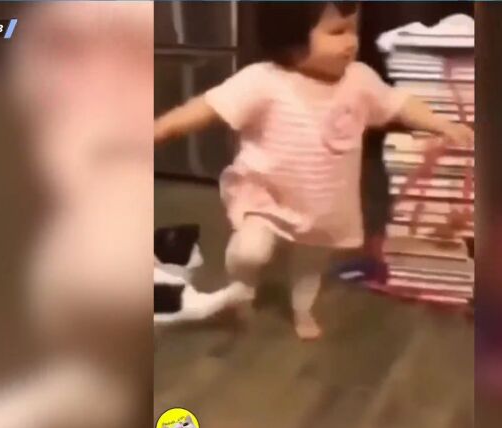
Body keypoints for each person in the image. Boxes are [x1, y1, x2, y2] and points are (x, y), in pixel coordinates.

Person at [154, 1, 473, 340]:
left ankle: (302, 309)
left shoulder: (359, 79)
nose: (351, 41)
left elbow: (399, 103)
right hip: (267, 196)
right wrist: (161, 128)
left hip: (324, 204)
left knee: (309, 266)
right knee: (249, 252)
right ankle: (243, 286)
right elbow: (208, 107)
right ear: (289, 40)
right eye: (337, 32)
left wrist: (440, 123)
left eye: (353, 30)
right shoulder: (263, 80)